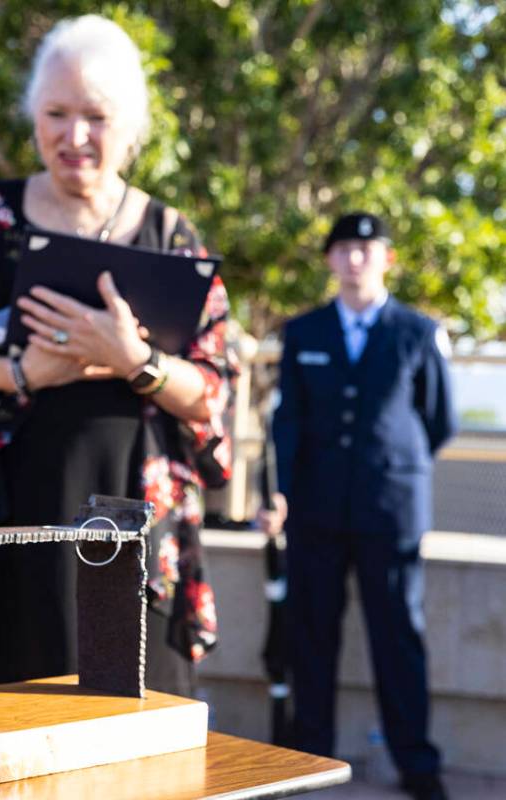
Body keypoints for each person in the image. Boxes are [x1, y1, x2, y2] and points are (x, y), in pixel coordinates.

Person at [0, 15, 236, 694]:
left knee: (136, 735)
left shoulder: (170, 236)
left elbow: (211, 390)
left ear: (132, 129)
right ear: (32, 117)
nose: (73, 135)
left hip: (134, 513)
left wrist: (132, 359)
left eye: (95, 116)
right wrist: (21, 372)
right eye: (55, 113)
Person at [261, 212, 455, 800]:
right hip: (316, 512)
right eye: (343, 248)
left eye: (366, 249)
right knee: (311, 636)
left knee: (398, 637)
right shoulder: (304, 332)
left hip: (390, 511)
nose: (354, 259)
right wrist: (281, 493)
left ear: (386, 259)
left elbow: (437, 421)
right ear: (329, 260)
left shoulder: (418, 332)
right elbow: (287, 421)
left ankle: (416, 764)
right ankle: (309, 756)